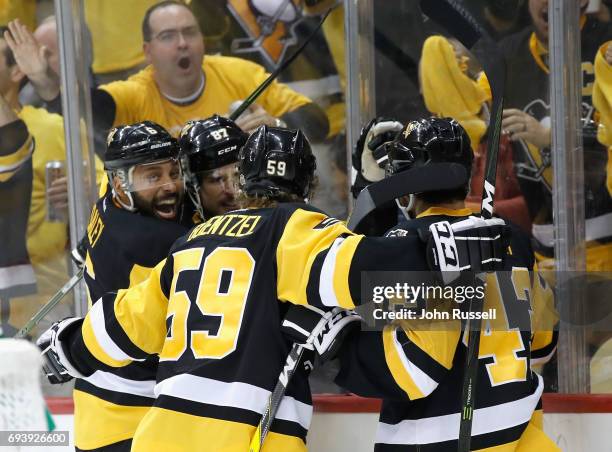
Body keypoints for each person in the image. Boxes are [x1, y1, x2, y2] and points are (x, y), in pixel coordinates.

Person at [36, 123, 510, 451]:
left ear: (243, 182)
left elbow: (125, 323)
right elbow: (366, 268)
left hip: (162, 437)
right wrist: (438, 244)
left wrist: (67, 347)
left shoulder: (189, 242)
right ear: (309, 183)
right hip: (253, 440)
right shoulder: (297, 229)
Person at [335, 117, 559, 450]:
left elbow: (400, 371)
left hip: (432, 439)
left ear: (404, 191)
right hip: (522, 436)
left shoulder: (402, 249)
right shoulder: (513, 239)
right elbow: (543, 343)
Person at [7, 1, 329, 141]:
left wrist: (277, 124)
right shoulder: (137, 92)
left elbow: (317, 119)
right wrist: (47, 82)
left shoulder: (240, 75)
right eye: (167, 37)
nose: (182, 44)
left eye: (190, 33)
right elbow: (91, 112)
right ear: (147, 52)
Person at [73, 121, 189, 452]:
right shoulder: (156, 241)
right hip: (132, 422)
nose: (169, 186)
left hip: (97, 408)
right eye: (153, 176)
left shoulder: (106, 202)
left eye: (173, 171)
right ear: (119, 182)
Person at [0, 26, 103, 333]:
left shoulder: (52, 127)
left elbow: (105, 186)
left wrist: (85, 190)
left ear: (17, 69)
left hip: (46, 299)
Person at [497, 0, 612, 271]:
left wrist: (554, 138)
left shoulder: (606, 44)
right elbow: (470, 108)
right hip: (542, 248)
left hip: (606, 247)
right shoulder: (508, 54)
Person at [178, 114, 247, 221]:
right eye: (217, 179)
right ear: (191, 186)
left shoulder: (277, 219)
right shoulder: (179, 235)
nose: (234, 191)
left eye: (238, 174)